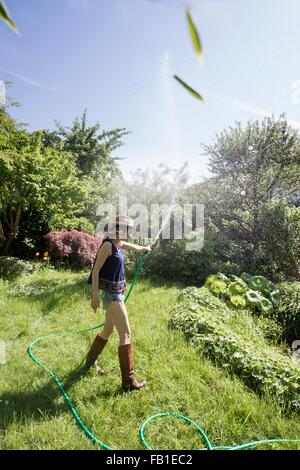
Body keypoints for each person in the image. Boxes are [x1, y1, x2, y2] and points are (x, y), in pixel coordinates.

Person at [85, 214, 151, 391]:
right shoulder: (107, 245)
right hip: (112, 296)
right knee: (126, 334)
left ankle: (90, 362)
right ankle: (129, 382)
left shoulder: (119, 243)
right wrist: (95, 297)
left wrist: (143, 248)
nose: (129, 232)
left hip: (117, 294)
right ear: (118, 229)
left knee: (108, 329)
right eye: (127, 229)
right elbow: (96, 271)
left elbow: (133, 247)